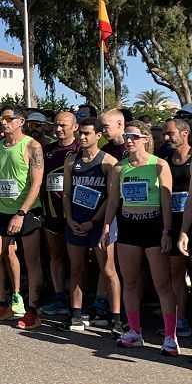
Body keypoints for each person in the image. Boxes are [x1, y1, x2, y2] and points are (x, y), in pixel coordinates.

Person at [101, 122, 179, 355]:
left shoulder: (159, 165)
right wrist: (106, 226)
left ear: (145, 138)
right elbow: (113, 201)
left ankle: (170, 336)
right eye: (126, 136)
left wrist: (167, 231)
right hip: (129, 227)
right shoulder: (119, 168)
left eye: (133, 136)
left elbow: (167, 201)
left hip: (154, 227)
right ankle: (134, 331)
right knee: (131, 282)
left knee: (162, 284)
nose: (128, 140)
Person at [0, 105, 45, 327]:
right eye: (2, 119)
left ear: (21, 121)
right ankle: (2, 302)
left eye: (9, 118)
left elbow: (37, 183)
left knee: (31, 260)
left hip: (27, 210)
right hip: (1, 209)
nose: (4, 122)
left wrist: (21, 212)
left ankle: (33, 309)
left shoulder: (32, 146)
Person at [59, 120, 121, 334]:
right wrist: (69, 219)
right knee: (76, 268)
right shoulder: (70, 161)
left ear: (98, 135)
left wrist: (94, 222)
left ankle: (116, 319)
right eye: (81, 133)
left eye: (87, 133)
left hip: (99, 224)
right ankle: (76, 314)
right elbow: (66, 194)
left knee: (108, 270)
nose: (82, 137)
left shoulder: (109, 162)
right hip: (75, 222)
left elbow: (112, 198)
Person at [39, 112, 81, 317]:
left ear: (75, 127)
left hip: (76, 214)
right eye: (56, 125)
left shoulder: (81, 149)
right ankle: (59, 298)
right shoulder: (46, 150)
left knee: (77, 261)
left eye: (63, 125)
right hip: (50, 212)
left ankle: (80, 302)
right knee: (55, 256)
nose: (58, 129)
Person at [162, 118, 192, 338]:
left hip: (191, 226)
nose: (166, 137)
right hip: (173, 224)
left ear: (184, 134)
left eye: (170, 133)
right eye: (165, 133)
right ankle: (179, 317)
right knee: (175, 272)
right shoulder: (165, 161)